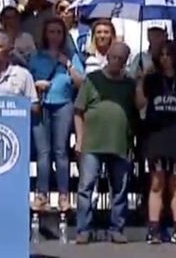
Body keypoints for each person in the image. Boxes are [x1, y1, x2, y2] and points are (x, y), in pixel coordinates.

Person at [135, 41, 176, 245]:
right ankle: (153, 228)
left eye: (168, 54)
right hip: (156, 137)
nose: (165, 58)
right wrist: (141, 79)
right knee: (157, 182)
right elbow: (140, 104)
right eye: (161, 54)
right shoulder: (152, 80)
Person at [74, 41, 136, 245]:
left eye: (121, 59)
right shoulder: (92, 80)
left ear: (126, 62)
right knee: (86, 187)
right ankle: (84, 229)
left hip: (120, 143)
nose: (116, 61)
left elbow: (140, 107)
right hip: (92, 142)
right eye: (114, 57)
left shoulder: (130, 84)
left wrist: (141, 82)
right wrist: (79, 140)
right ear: (107, 57)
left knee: (119, 189)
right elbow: (78, 111)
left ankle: (116, 229)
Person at [29, 17, 84, 212]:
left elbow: (81, 83)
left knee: (60, 151)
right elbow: (26, 81)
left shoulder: (72, 56)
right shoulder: (36, 57)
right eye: (51, 32)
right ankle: (41, 194)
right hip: (41, 105)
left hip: (64, 105)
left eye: (58, 32)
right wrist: (37, 85)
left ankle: (63, 195)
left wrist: (68, 64)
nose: (55, 36)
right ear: (45, 34)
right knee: (43, 152)